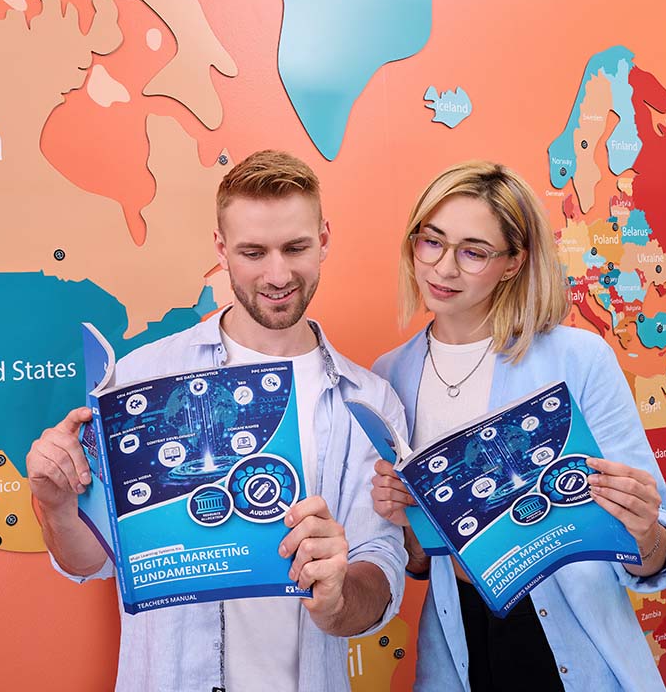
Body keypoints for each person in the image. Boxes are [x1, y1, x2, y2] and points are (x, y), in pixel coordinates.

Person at [26, 150, 408, 692]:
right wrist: (59, 504)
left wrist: (339, 595)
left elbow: (382, 567)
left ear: (324, 239)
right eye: (253, 252)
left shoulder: (369, 402)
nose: (278, 274)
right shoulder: (141, 379)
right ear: (221, 249)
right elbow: (93, 559)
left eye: (296, 247)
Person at [370, 162, 666, 691]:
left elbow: (656, 551)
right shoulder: (389, 376)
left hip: (573, 641)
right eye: (432, 242)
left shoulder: (579, 359)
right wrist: (405, 522)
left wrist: (645, 528)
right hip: (459, 639)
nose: (443, 268)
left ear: (513, 262)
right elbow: (421, 562)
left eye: (473, 252)